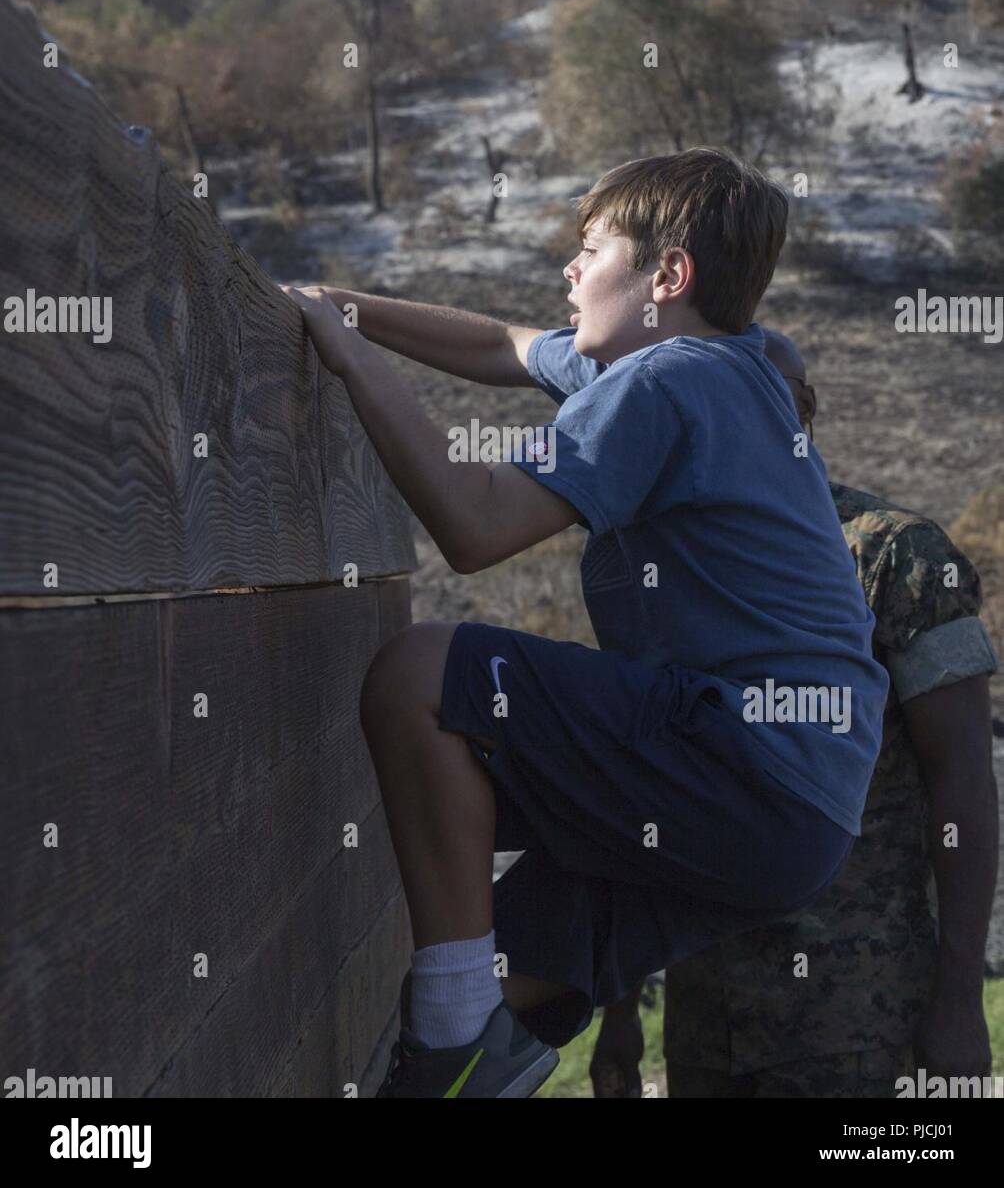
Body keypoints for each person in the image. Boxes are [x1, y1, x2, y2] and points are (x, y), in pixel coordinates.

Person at [282, 148, 888, 1098]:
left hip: (745, 756)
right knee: (503, 977)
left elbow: (475, 528)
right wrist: (339, 303)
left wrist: (346, 354)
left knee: (420, 682)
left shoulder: (668, 382)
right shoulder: (717, 365)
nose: (570, 269)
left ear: (668, 277)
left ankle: (455, 1039)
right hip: (800, 813)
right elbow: (504, 345)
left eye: (593, 248)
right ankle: (463, 1054)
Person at [591, 329, 999, 1099]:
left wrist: (960, 1001)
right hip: (707, 1017)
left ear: (801, 409)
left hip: (857, 1023)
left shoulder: (895, 556)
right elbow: (640, 798)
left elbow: (965, 788)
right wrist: (620, 1010)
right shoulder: (673, 568)